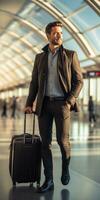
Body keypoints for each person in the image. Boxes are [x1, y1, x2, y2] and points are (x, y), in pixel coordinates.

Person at [24, 21, 83, 193]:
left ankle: (65, 169)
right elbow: (34, 82)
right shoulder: (39, 57)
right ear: (48, 35)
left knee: (63, 141)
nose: (59, 36)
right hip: (44, 104)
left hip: (62, 104)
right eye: (56, 33)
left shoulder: (71, 55)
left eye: (61, 33)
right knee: (45, 144)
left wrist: (70, 100)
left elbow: (78, 81)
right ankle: (48, 179)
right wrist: (29, 103)